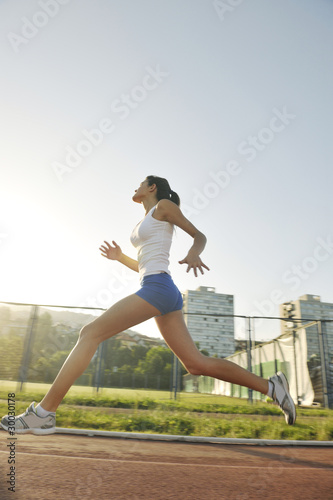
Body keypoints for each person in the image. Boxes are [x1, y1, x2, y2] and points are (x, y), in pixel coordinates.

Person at [0, 175, 296, 434]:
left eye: (141, 182)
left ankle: (44, 413)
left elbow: (199, 235)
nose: (136, 186)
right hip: (158, 288)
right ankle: (272, 387)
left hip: (159, 288)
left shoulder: (163, 207)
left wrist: (194, 252)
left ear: (152, 187)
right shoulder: (145, 220)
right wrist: (120, 258)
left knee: (89, 333)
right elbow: (145, 265)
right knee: (195, 365)